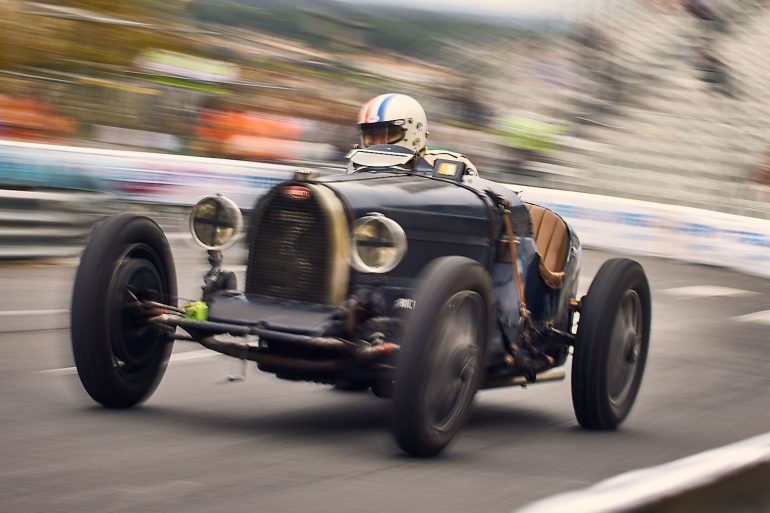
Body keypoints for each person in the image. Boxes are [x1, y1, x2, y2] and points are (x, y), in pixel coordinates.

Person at [355, 93, 479, 176]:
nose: (378, 143)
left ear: (415, 130)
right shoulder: (357, 170)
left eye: (388, 134)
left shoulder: (450, 165)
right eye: (371, 136)